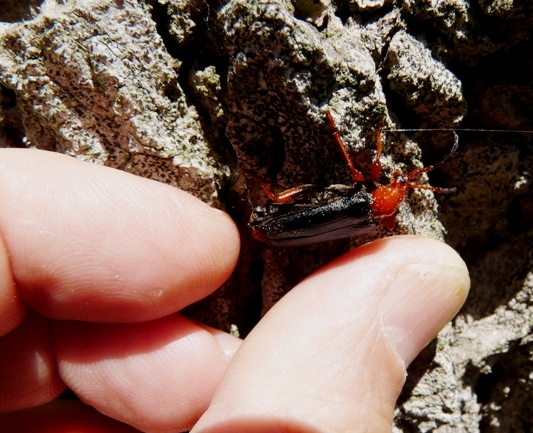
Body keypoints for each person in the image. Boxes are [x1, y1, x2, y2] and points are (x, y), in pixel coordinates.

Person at [0, 148, 470, 433]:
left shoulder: (367, 202)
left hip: (280, 224)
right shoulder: (371, 209)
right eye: (402, 182)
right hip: (281, 227)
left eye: (402, 184)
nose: (399, 182)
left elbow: (354, 167)